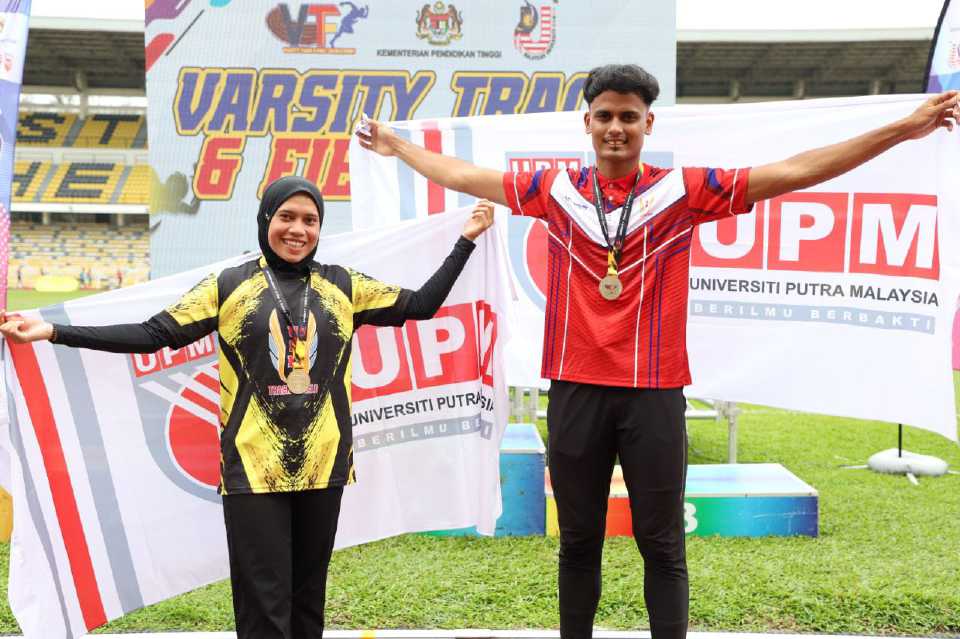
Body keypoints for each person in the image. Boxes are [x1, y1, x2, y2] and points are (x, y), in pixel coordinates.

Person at [357, 64, 960, 639]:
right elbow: (463, 175)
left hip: (654, 394)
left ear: (649, 123)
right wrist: (397, 145)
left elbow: (796, 170)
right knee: (578, 542)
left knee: (662, 544)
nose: (615, 128)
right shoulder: (555, 191)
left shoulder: (683, 191)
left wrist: (903, 129)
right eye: (604, 116)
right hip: (575, 389)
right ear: (587, 123)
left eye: (628, 116)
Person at [0, 175, 495, 639]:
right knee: (263, 603)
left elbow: (421, 305)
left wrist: (465, 241)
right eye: (287, 217)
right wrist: (54, 331)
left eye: (310, 220)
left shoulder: (344, 285)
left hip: (325, 465)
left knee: (308, 599)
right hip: (253, 468)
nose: (298, 230)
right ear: (265, 220)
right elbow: (153, 334)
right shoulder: (229, 284)